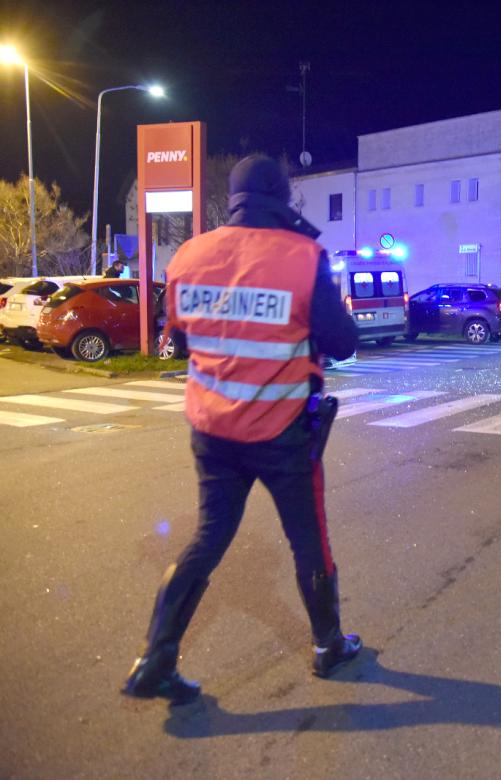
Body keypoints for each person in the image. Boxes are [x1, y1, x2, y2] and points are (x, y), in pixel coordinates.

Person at [122, 155, 361, 704]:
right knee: (308, 540)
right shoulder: (304, 257)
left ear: (232, 199)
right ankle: (328, 645)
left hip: (213, 433)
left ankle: (154, 658)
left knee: (209, 538)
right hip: (283, 436)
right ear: (282, 199)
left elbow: (180, 341)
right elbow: (343, 342)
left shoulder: (189, 255)